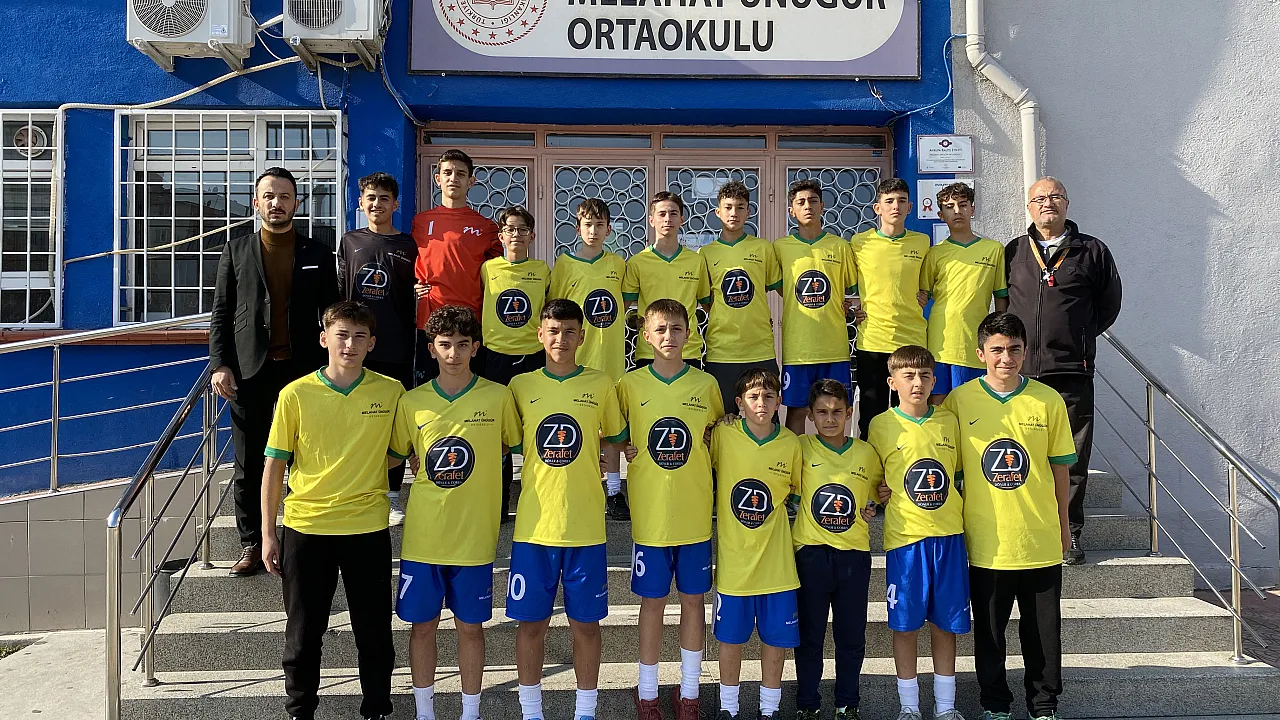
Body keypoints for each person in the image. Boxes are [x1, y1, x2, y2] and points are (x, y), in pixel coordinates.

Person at [259, 301, 403, 720]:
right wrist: (268, 533)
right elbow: (274, 466)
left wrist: (363, 465)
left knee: (374, 632)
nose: (350, 345)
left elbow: (398, 452)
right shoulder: (295, 394)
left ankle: (376, 709)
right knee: (304, 633)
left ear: (372, 343)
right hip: (307, 528)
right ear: (324, 339)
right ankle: (299, 710)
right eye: (341, 335)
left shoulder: (391, 392)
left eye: (360, 337)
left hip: (366, 527)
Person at [388, 305, 521, 720]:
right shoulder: (412, 402)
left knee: (471, 628)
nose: (453, 354)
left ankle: (470, 712)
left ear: (476, 348)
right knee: (422, 627)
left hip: (474, 536)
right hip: (424, 535)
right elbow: (394, 455)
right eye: (445, 345)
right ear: (431, 348)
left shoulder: (498, 396)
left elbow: (513, 444)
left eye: (463, 345)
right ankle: (424, 713)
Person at [943, 312, 1076, 720]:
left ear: (1026, 351)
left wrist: (1064, 527)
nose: (1006, 358)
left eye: (1014, 349)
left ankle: (1044, 706)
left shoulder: (1048, 400)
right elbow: (943, 467)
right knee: (990, 635)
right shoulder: (959, 401)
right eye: (997, 349)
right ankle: (995, 706)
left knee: (1043, 635)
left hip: (1038, 538)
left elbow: (1060, 471)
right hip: (987, 542)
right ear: (980, 353)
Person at [209, 166, 340, 577]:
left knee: (308, 456)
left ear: (296, 203)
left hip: (304, 372)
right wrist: (220, 364)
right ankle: (252, 544)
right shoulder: (236, 251)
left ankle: (304, 537)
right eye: (269, 196)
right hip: (250, 371)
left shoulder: (319, 254)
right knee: (249, 461)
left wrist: (336, 364)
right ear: (256, 202)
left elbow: (332, 314)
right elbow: (221, 313)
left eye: (284, 196)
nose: (276, 203)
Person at [506, 299, 628, 720]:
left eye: (570, 331)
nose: (561, 339)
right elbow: (505, 440)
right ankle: (531, 712)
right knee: (530, 626)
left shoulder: (601, 384)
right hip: (534, 528)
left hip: (585, 526)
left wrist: (604, 452)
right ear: (540, 334)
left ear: (582, 336)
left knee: (586, 626)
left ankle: (585, 711)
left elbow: (615, 437)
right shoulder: (519, 386)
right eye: (553, 331)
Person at [1005, 177, 1122, 565]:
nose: (1047, 203)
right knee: (1021, 455)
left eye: (1055, 196)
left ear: (1067, 204)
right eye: (1039, 198)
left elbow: (1108, 305)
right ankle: (1024, 528)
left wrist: (1077, 336)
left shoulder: (1092, 251)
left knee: (1071, 458)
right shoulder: (1014, 252)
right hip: (1022, 374)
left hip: (1071, 371)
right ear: (1029, 207)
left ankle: (1068, 533)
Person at [616, 299, 723, 720]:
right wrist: (623, 451)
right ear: (645, 336)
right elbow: (613, 435)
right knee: (653, 604)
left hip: (694, 513)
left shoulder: (705, 385)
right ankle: (647, 693)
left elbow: (717, 437)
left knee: (694, 602)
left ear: (689, 334)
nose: (668, 337)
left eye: (676, 329)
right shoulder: (629, 385)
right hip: (651, 515)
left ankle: (690, 692)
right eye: (660, 329)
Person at [868, 345, 968, 720]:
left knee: (945, 625)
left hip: (948, 536)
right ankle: (909, 706)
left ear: (934, 380)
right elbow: (873, 479)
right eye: (908, 376)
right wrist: (878, 493)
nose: (917, 383)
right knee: (905, 626)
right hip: (905, 541)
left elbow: (959, 473)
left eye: (924, 375)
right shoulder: (880, 426)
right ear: (892, 382)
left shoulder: (949, 422)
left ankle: (946, 706)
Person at [710, 368, 803, 720]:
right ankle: (728, 707)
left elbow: (796, 493)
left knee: (776, 642)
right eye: (753, 397)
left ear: (779, 402)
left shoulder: (791, 444)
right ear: (739, 403)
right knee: (731, 640)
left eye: (768, 396)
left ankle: (770, 709)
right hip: (735, 563)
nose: (761, 403)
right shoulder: (724, 435)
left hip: (776, 564)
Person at [791, 379, 881, 720]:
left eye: (837, 412)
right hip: (811, 554)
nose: (830, 419)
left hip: (853, 556)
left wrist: (872, 505)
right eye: (822, 412)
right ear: (810, 416)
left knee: (851, 637)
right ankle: (807, 705)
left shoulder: (866, 453)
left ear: (850, 413)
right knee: (810, 637)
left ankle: (847, 704)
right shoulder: (800, 447)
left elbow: (876, 492)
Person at [620, 190, 712, 519]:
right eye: (661, 213)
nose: (667, 219)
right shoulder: (637, 262)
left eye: (673, 213)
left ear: (682, 218)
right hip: (649, 353)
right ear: (651, 220)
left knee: (690, 423)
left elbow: (706, 303)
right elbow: (628, 305)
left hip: (690, 351)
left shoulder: (695, 261)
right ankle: (645, 491)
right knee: (647, 424)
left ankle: (692, 486)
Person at [337, 171, 418, 525]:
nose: (377, 204)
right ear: (361, 202)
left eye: (384, 198)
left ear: (395, 204)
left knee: (392, 424)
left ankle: (391, 495)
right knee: (354, 422)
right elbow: (340, 294)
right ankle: (353, 489)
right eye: (371, 197)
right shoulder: (350, 241)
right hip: (355, 349)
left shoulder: (409, 245)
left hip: (396, 346)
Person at [548, 198, 629, 519]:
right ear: (577, 228)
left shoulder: (618, 264)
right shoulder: (564, 264)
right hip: (576, 360)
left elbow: (627, 305)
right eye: (587, 225)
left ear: (609, 229)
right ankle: (579, 486)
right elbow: (554, 312)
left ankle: (614, 490)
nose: (593, 231)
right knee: (577, 426)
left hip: (610, 359)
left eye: (599, 225)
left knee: (610, 428)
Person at [478, 205, 551, 521]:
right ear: (501, 236)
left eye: (523, 229)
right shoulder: (487, 269)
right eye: (510, 229)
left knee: (534, 427)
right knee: (498, 432)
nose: (516, 234)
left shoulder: (542, 270)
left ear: (532, 236)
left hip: (532, 357)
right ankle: (499, 498)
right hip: (495, 357)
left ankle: (538, 495)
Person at [773, 179, 858, 437]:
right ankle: (796, 461)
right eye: (800, 202)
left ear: (822, 206)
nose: (807, 206)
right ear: (792, 211)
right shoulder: (780, 248)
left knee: (836, 409)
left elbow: (852, 289)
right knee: (797, 411)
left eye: (812, 201)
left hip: (834, 347)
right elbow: (783, 288)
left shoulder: (840, 246)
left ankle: (832, 459)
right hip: (799, 349)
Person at [411, 149, 502, 384]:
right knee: (429, 391)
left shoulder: (486, 227)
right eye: (448, 172)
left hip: (471, 321)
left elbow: (501, 274)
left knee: (471, 391)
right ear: (437, 179)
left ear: (471, 181)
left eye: (461, 174)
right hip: (430, 320)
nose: (453, 178)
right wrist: (411, 286)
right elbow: (407, 262)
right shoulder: (420, 222)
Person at [849, 178, 930, 440]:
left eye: (902, 201)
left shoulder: (922, 243)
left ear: (910, 207)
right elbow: (841, 281)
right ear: (877, 208)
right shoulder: (859, 243)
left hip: (911, 340)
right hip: (873, 339)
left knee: (909, 412)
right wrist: (850, 309)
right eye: (889, 201)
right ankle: (871, 464)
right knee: (871, 415)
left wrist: (925, 294)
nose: (896, 206)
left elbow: (929, 283)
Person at [918, 182, 1008, 404]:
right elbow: (921, 297)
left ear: (972, 209)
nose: (957, 211)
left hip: (975, 342)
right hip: (940, 342)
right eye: (949, 207)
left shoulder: (994, 250)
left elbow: (1001, 297)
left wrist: (999, 335)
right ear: (941, 215)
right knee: (939, 404)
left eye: (963, 205)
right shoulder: (934, 253)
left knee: (972, 404)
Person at [698, 180, 783, 409]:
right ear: (718, 212)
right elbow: (707, 301)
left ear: (749, 212)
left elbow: (780, 289)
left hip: (760, 349)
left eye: (740, 207)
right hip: (721, 351)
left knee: (767, 417)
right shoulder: (705, 253)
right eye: (728, 207)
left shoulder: (763, 248)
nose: (733, 213)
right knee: (722, 418)